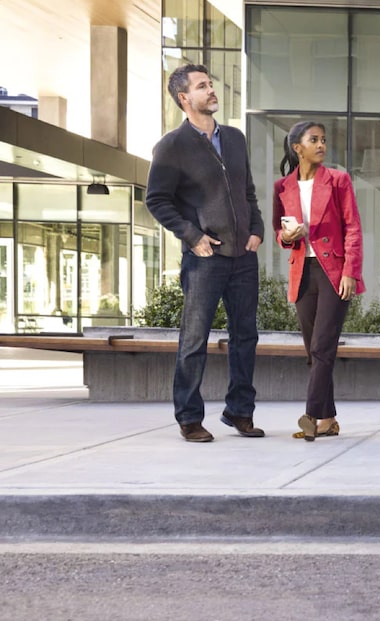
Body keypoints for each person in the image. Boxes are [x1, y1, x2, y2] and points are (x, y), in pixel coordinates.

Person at [145, 64, 265, 443]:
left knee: (246, 335)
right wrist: (191, 235)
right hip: (205, 258)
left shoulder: (234, 138)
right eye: (202, 86)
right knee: (194, 339)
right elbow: (157, 200)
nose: (212, 90)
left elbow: (247, 191)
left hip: (243, 256)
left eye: (211, 83)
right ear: (185, 98)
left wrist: (257, 229)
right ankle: (189, 417)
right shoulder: (171, 146)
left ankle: (239, 411)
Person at [272, 121, 365, 441]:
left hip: (334, 273)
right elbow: (278, 232)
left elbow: (353, 227)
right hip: (302, 272)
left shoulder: (339, 181)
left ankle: (311, 416)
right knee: (314, 351)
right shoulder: (283, 187)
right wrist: (286, 235)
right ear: (298, 148)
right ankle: (329, 419)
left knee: (323, 347)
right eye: (315, 140)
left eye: (324, 140)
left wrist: (351, 271)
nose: (322, 145)